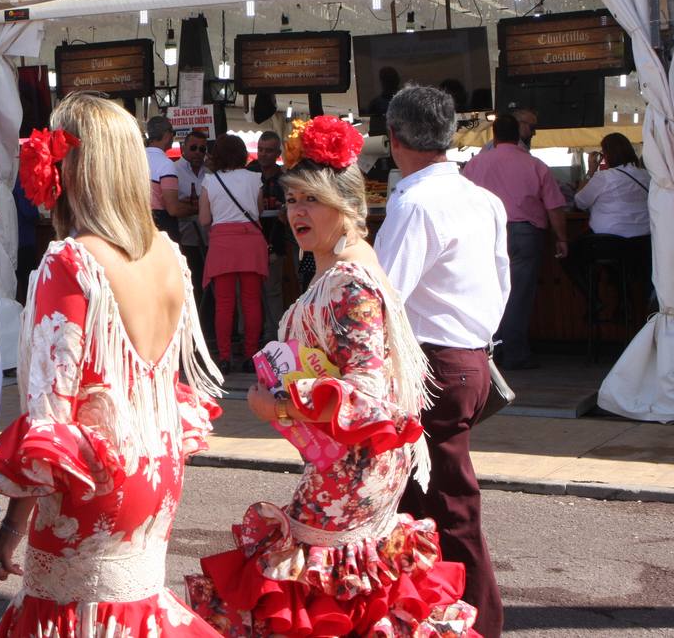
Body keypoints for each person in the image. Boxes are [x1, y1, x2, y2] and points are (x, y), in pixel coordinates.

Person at [187, 114, 479, 636]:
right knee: (345, 593)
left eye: (312, 200)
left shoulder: (348, 283)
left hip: (353, 470)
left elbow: (367, 398)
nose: (296, 211)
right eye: (293, 198)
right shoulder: (341, 263)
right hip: (349, 465)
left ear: (346, 206)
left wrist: (274, 406)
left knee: (321, 590)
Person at [0, 93, 223, 637]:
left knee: (76, 614)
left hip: (93, 484)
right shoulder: (167, 254)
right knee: (135, 608)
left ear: (69, 167)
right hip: (154, 468)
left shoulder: (71, 261)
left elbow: (50, 422)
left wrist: (6, 535)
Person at [376, 86, 509, 638]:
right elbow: (502, 284)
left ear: (394, 139)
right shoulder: (481, 198)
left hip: (435, 362)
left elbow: (380, 296)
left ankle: (474, 622)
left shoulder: (415, 202)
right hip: (468, 356)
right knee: (427, 505)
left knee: (445, 508)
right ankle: (433, 617)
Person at [463, 114, 568, 370]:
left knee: (487, 292)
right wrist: (562, 238)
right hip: (525, 234)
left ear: (494, 135)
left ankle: (488, 352)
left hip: (484, 233)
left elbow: (460, 201)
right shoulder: (535, 165)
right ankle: (515, 353)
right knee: (518, 295)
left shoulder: (475, 165)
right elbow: (554, 207)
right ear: (518, 135)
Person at [198, 133, 268, 372]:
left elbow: (205, 219)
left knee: (224, 305)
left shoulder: (210, 181)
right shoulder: (255, 178)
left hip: (222, 244)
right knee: (251, 301)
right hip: (251, 242)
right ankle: (251, 355)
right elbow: (258, 212)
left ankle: (225, 357)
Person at [563, 132, 652, 314]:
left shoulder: (603, 177)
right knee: (621, 264)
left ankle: (593, 298)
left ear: (607, 155)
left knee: (568, 255)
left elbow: (579, 202)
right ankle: (624, 302)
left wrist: (591, 171)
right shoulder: (646, 176)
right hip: (643, 246)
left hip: (606, 245)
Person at [247, 130, 288, 343]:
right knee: (249, 293)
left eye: (268, 151)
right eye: (260, 150)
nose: (263, 154)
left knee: (272, 291)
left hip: (275, 240)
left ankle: (275, 337)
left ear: (278, 153)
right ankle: (251, 337)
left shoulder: (285, 179)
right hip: (250, 240)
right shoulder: (249, 173)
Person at [145, 115, 195, 241]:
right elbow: (173, 209)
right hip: (160, 227)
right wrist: (196, 208)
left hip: (137, 223)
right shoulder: (166, 164)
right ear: (167, 135)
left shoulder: (135, 158)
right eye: (173, 133)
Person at [175, 129, 211, 303]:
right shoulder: (174, 170)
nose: (198, 152)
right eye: (194, 147)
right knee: (191, 285)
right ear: (184, 147)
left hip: (208, 238)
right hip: (185, 237)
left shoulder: (210, 172)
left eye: (202, 149)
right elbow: (172, 205)